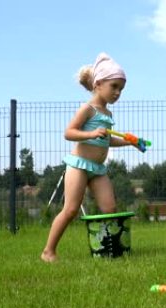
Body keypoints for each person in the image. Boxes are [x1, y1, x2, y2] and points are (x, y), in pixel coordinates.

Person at [41, 53, 141, 263]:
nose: (117, 93)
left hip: (98, 169)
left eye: (121, 89)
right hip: (79, 166)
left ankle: (108, 250)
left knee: (110, 209)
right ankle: (48, 251)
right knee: (70, 209)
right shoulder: (87, 109)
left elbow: (107, 141)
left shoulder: (109, 115)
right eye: (114, 86)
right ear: (98, 84)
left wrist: (130, 142)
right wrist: (91, 134)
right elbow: (69, 133)